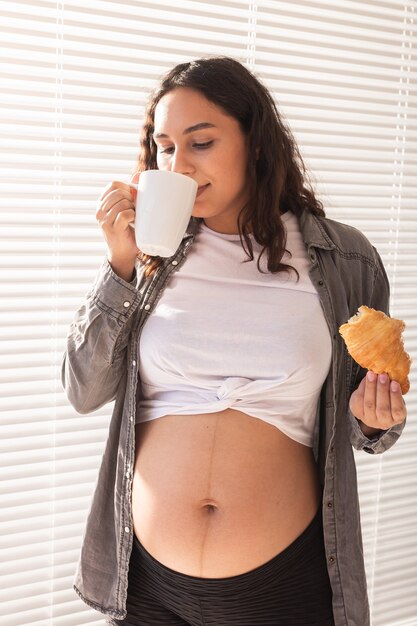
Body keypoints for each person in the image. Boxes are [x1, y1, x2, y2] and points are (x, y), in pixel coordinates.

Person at [62, 57, 407, 626]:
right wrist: (118, 266)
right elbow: (83, 389)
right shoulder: (151, 255)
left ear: (255, 143)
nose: (177, 164)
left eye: (200, 143)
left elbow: (365, 426)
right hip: (147, 584)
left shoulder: (345, 259)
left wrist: (374, 418)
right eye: (165, 147)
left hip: (282, 586)